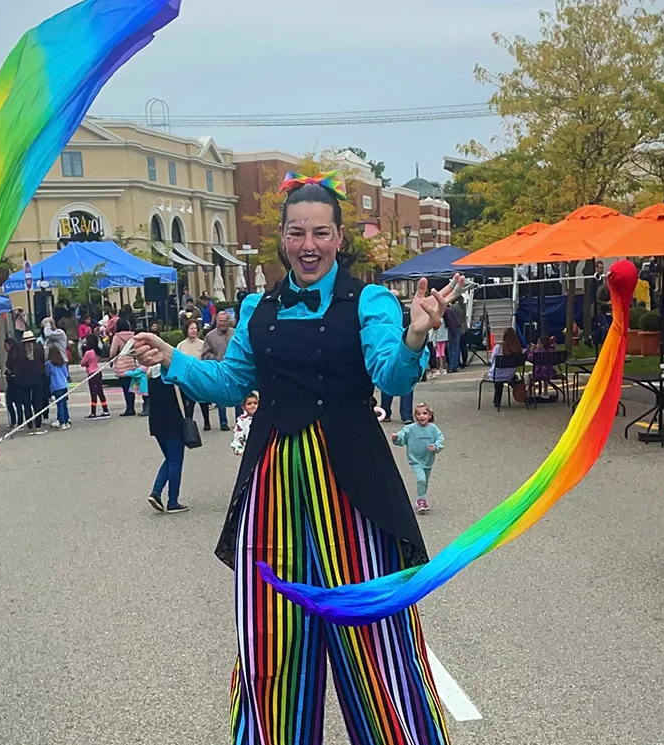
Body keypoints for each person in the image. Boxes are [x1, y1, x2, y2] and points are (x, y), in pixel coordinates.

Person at [132, 171, 456, 744]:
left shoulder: (370, 299)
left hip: (351, 485)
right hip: (273, 485)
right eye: (297, 232)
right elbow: (232, 381)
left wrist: (414, 338)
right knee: (269, 639)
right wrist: (172, 361)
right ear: (282, 238)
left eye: (322, 233)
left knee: (374, 638)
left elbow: (389, 372)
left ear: (338, 238)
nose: (309, 245)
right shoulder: (258, 305)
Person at [145, 363, 189, 514]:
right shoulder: (172, 377)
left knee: (170, 459)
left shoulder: (150, 375)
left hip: (156, 423)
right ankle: (172, 501)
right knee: (176, 461)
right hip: (173, 422)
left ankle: (156, 493)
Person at [391, 402, 444, 514]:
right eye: (418, 414)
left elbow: (440, 440)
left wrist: (435, 446)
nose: (421, 416)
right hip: (415, 460)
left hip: (428, 460)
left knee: (425, 481)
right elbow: (402, 437)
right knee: (421, 479)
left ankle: (422, 499)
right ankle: (420, 501)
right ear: (415, 416)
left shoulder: (434, 429)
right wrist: (396, 438)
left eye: (425, 413)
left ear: (430, 415)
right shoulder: (410, 428)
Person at [202, 311, 240, 431]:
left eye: (225, 321)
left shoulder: (236, 333)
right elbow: (205, 354)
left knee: (239, 396)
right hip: (219, 371)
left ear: (229, 321)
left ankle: (240, 421)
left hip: (236, 370)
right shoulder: (210, 336)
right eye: (220, 321)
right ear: (217, 321)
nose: (223, 323)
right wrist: (217, 359)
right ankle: (223, 422)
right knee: (221, 397)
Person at [380, 301, 415, 423]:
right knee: (407, 382)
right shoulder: (409, 312)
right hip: (406, 347)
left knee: (386, 379)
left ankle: (386, 412)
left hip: (389, 347)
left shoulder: (385, 313)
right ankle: (407, 415)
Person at [176, 319, 212, 430]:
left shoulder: (203, 344)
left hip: (200, 378)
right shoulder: (181, 346)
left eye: (195, 328)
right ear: (186, 330)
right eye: (191, 328)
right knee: (188, 404)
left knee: (203, 402)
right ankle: (189, 424)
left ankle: (207, 422)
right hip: (186, 380)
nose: (194, 331)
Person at [16, 331, 47, 435]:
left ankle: (29, 425)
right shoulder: (38, 348)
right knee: (37, 402)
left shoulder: (19, 350)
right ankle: (38, 424)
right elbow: (43, 361)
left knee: (26, 403)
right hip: (37, 377)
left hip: (23, 379)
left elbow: (15, 363)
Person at [488, 327, 524, 408]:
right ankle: (517, 387)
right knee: (511, 375)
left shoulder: (498, 348)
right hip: (509, 375)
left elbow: (493, 361)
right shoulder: (518, 349)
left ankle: (497, 400)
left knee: (497, 375)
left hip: (496, 375)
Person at [110, 318, 137, 417]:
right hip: (131, 362)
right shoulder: (133, 335)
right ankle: (132, 407)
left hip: (121, 362)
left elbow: (113, 351)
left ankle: (128, 408)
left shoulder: (117, 337)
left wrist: (111, 358)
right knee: (131, 387)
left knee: (125, 388)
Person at [81, 333, 110, 419]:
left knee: (93, 393)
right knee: (100, 392)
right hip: (97, 371)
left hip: (91, 373)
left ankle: (93, 412)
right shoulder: (96, 351)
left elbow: (82, 363)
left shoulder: (89, 352)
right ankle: (105, 409)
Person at [45, 344, 71, 430]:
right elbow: (66, 375)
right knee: (64, 404)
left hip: (56, 386)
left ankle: (62, 422)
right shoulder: (62, 363)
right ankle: (66, 421)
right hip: (64, 385)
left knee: (59, 404)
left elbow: (47, 374)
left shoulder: (49, 364)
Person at [231, 392, 258, 456]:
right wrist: (240, 451)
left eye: (255, 403)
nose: (253, 405)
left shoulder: (263, 418)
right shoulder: (241, 421)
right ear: (243, 407)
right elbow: (236, 439)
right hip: (248, 453)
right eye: (249, 404)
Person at [3, 338, 22, 429]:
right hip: (11, 380)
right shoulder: (11, 354)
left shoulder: (14, 355)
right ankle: (14, 421)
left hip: (14, 380)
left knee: (16, 402)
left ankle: (19, 421)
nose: (5, 348)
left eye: (5, 345)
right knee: (10, 402)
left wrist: (9, 372)